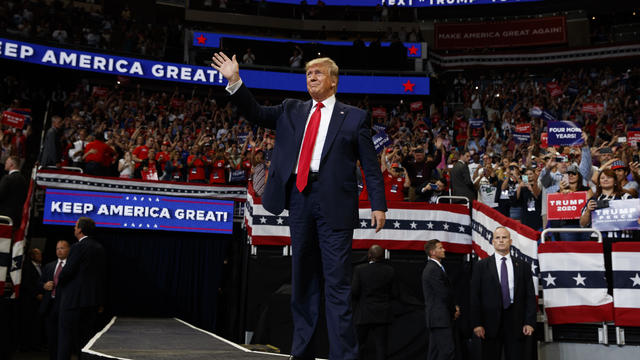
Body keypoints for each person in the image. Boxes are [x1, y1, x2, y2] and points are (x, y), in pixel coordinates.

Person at [211, 52, 386, 360]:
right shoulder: (291, 109)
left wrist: (378, 204)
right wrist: (235, 81)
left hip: (336, 203)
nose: (312, 77)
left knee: (337, 285)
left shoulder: (355, 116)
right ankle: (301, 353)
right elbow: (255, 113)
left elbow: (370, 166)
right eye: (308, 74)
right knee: (302, 283)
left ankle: (343, 356)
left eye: (318, 73)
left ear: (333, 80)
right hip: (300, 199)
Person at [470, 227, 536, 360]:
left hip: (516, 321)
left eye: (504, 237)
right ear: (493, 242)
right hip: (489, 324)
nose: (501, 241)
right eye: (498, 238)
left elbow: (529, 296)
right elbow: (474, 296)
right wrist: (477, 323)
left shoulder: (523, 266)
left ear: (510, 241)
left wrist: (529, 322)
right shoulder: (481, 266)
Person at [57, 217, 107, 360]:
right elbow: (102, 276)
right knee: (85, 340)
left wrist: (60, 281)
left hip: (73, 301)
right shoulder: (100, 248)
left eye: (75, 226)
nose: (74, 228)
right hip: (92, 302)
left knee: (65, 338)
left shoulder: (78, 247)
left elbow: (68, 271)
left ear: (80, 229)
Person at [352, 245, 395, 360]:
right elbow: (395, 293)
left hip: (364, 314)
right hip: (382, 314)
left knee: (359, 345)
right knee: (381, 347)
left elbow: (354, 291)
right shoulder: (389, 270)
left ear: (369, 255)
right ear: (382, 256)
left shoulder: (360, 270)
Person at [422, 239, 459, 360]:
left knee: (435, 353)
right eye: (440, 248)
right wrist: (453, 310)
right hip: (440, 318)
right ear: (432, 252)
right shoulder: (433, 269)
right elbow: (443, 294)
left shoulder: (436, 267)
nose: (444, 250)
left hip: (437, 318)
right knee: (447, 352)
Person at [40, 239, 71, 360]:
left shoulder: (72, 266)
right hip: (50, 305)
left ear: (68, 249)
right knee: (51, 336)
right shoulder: (49, 266)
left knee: (64, 336)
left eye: (62, 248)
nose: (59, 251)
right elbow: (39, 282)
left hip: (65, 305)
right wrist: (44, 285)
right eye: (57, 248)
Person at [0, 156, 28, 226]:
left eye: (7, 162)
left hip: (4, 217)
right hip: (17, 217)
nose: (5, 164)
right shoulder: (24, 180)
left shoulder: (7, 178)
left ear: (12, 165)